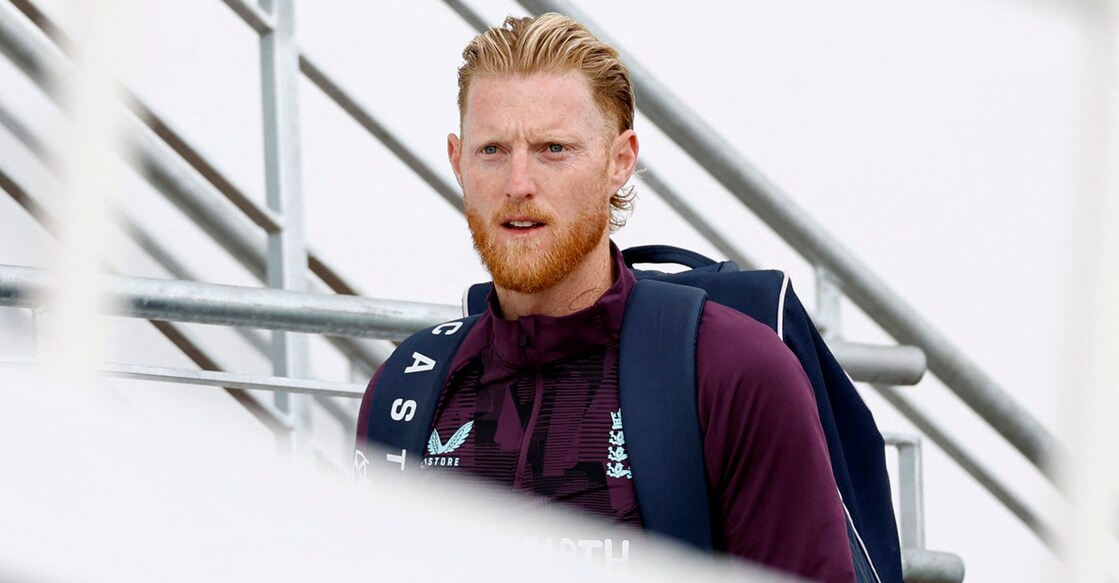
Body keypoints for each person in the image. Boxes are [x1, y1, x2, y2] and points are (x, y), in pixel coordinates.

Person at [357, 13, 857, 583]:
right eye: (492, 150)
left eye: (553, 148)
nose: (518, 183)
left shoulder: (733, 371)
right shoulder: (406, 388)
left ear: (619, 161)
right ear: (456, 162)